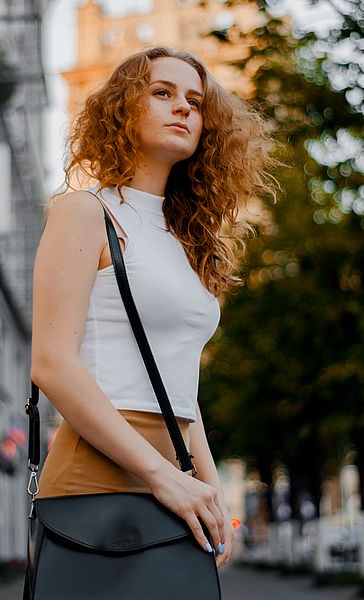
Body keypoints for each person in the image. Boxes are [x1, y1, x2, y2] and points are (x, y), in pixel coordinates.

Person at [30, 45, 279, 572]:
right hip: (96, 477)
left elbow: (177, 387)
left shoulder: (189, 241)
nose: (184, 107)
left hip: (178, 479)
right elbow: (52, 362)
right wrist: (165, 477)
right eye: (162, 93)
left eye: (195, 99)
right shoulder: (84, 211)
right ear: (122, 109)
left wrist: (209, 488)